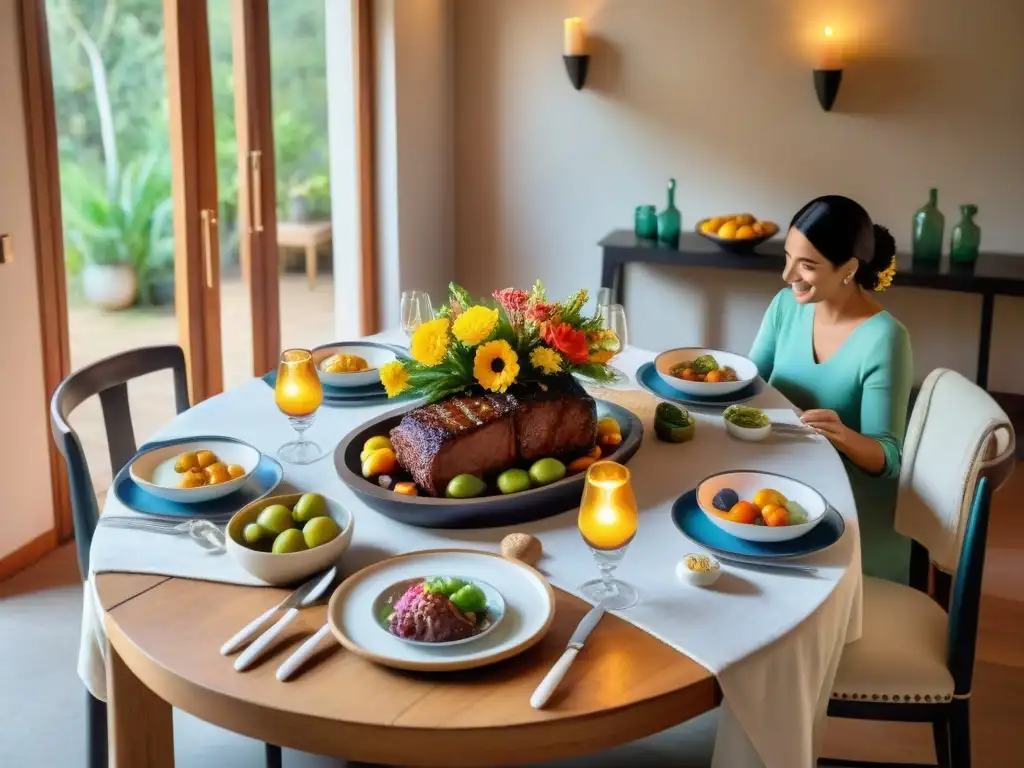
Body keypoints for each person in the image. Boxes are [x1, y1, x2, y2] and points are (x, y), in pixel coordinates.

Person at [749, 195, 913, 583]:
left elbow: (889, 458)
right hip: (779, 481)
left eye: (807, 265)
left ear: (849, 269)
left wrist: (842, 436)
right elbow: (749, 385)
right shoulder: (785, 307)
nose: (789, 275)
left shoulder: (885, 339)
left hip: (847, 511)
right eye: (787, 257)